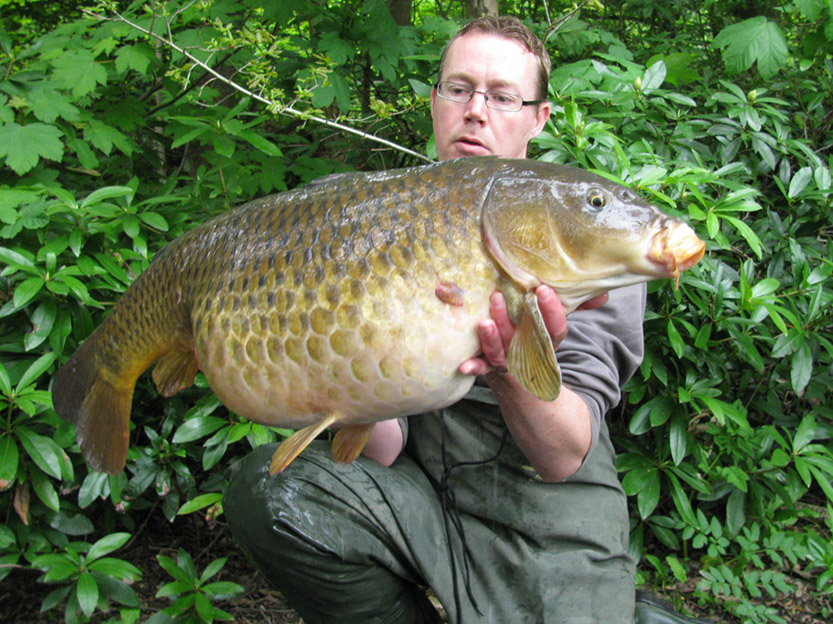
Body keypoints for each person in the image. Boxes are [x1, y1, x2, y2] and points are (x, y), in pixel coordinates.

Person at [225, 16, 709, 624]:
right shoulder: (378, 215)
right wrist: (324, 375)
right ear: (435, 102)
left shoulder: (586, 252)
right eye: (459, 89)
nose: (476, 110)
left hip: (544, 515)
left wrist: (510, 366)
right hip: (424, 495)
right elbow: (385, 445)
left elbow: (562, 455)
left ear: (539, 118)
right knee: (272, 494)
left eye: (503, 96)